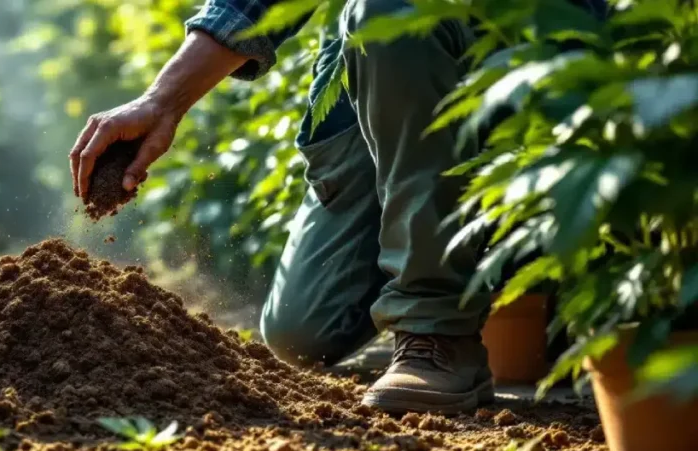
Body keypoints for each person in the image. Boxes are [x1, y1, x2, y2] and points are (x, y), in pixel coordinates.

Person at [68, 0, 603, 414]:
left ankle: (436, 331)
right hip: (395, 70)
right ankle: (447, 286)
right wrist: (162, 100)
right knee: (304, 333)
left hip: (537, 46)